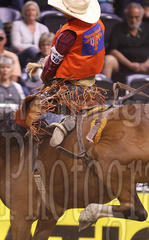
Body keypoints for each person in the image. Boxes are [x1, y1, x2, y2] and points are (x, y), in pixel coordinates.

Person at [35, 0, 106, 146]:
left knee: (32, 111)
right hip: (90, 84)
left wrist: (45, 77)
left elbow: (52, 65)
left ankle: (60, 123)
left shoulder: (68, 34)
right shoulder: (98, 24)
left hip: (70, 87)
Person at [101, 3, 149, 80]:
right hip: (123, 65)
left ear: (141, 16)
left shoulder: (148, 28)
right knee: (108, 59)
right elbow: (113, 50)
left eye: (137, 17)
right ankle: (104, 91)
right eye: (131, 17)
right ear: (126, 15)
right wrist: (130, 65)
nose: (133, 20)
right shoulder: (118, 27)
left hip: (146, 66)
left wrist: (146, 65)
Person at [11, 1, 50, 68]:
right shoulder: (17, 24)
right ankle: (41, 68)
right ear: (24, 12)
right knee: (31, 50)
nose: (31, 12)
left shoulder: (43, 28)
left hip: (40, 54)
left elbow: (49, 43)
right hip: (21, 56)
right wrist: (36, 48)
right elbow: (16, 45)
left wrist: (23, 47)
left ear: (37, 12)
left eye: (33, 10)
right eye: (28, 10)